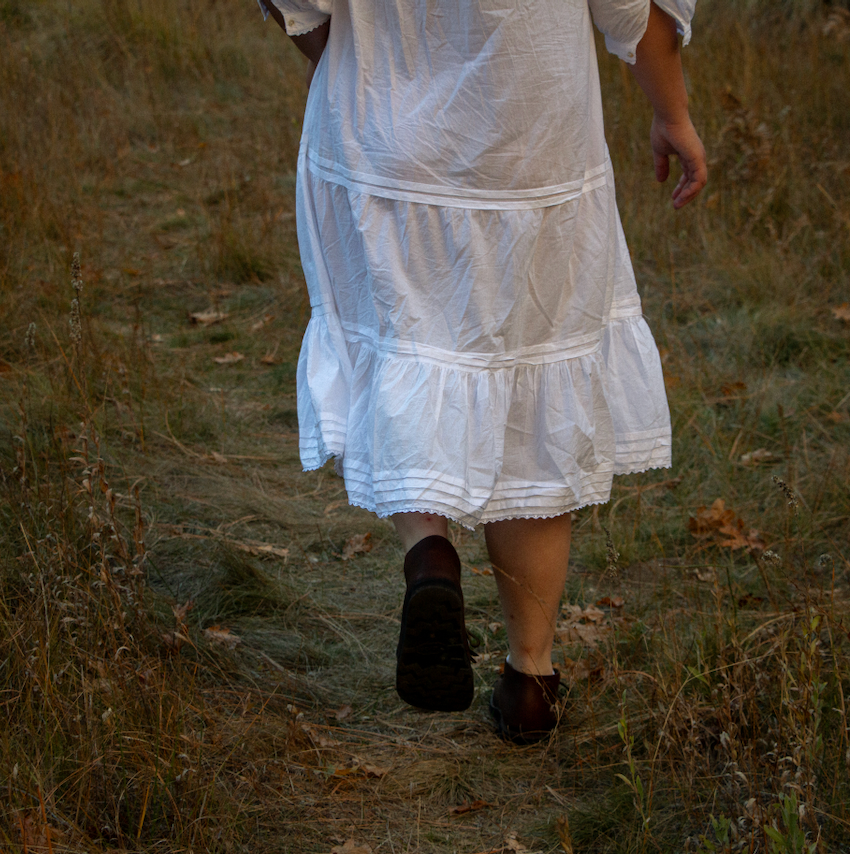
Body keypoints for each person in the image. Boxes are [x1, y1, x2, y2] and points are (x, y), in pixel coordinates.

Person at [258, 0, 706, 742]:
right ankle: (530, 676)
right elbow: (633, 8)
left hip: (385, 149)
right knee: (533, 392)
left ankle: (429, 552)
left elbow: (301, 9)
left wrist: (364, 52)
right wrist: (673, 113)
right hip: (535, 152)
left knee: (410, 348)